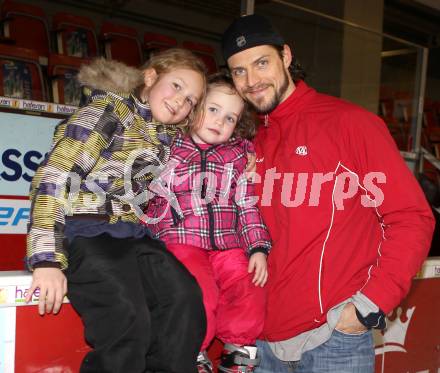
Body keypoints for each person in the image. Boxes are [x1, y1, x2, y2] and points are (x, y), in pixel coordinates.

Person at [221, 14, 435, 373]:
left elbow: (411, 218)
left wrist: (370, 304)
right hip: (263, 342)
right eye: (238, 71)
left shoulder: (350, 123)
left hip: (332, 340)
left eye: (261, 63)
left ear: (286, 56)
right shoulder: (249, 144)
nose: (251, 80)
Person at [25, 48, 208, 373]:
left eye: (192, 100)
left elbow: (207, 153)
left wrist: (243, 155)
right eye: (177, 86)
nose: (182, 101)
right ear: (150, 77)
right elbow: (55, 176)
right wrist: (47, 259)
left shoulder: (166, 136)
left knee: (185, 300)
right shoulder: (106, 111)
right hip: (87, 231)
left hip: (134, 234)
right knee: (127, 317)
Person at [143, 73, 272, 373]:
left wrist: (258, 248)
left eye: (230, 118)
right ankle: (193, 349)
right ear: (195, 107)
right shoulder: (169, 145)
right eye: (213, 110)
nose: (219, 121)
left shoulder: (237, 155)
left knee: (250, 282)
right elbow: (145, 196)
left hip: (228, 242)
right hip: (182, 238)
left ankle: (238, 351)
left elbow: (246, 204)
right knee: (199, 291)